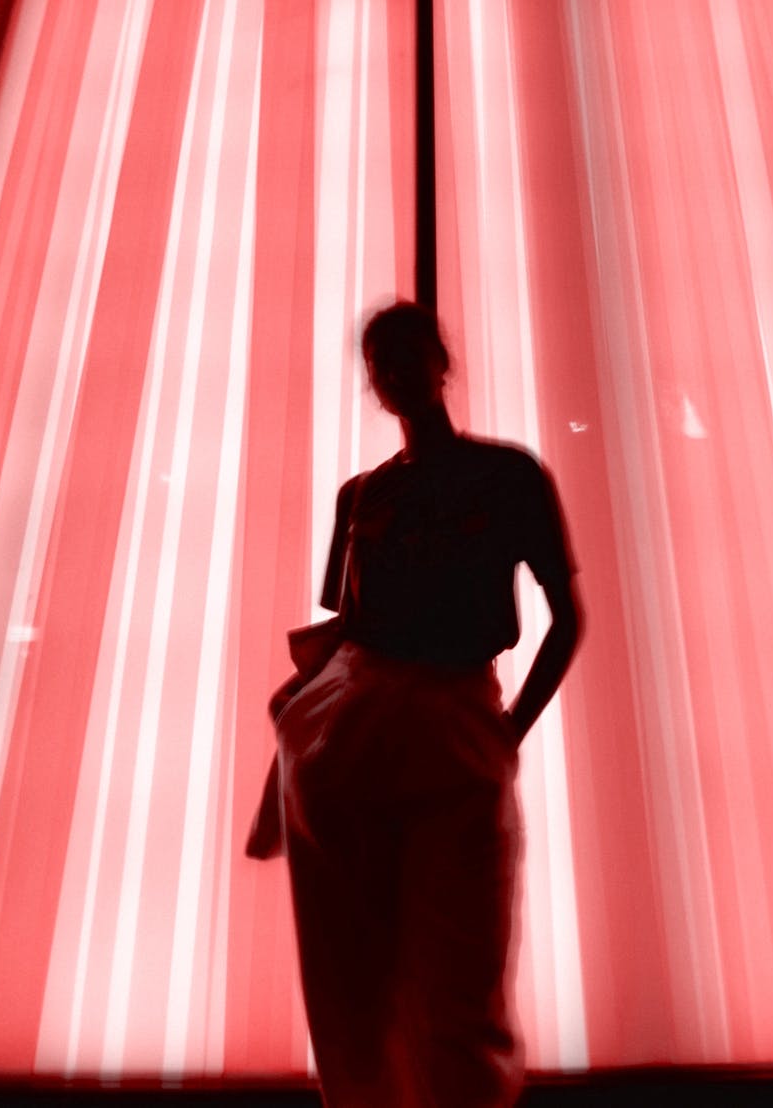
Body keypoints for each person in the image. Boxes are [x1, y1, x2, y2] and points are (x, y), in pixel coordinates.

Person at [275, 300, 584, 1108]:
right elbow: (348, 627)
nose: (397, 374)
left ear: (441, 361)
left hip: (453, 719)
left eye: (409, 355)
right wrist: (296, 708)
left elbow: (566, 619)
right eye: (382, 362)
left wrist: (507, 732)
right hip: (354, 730)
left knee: (459, 970)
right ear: (374, 383)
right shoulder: (361, 495)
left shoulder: (509, 475)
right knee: (354, 970)